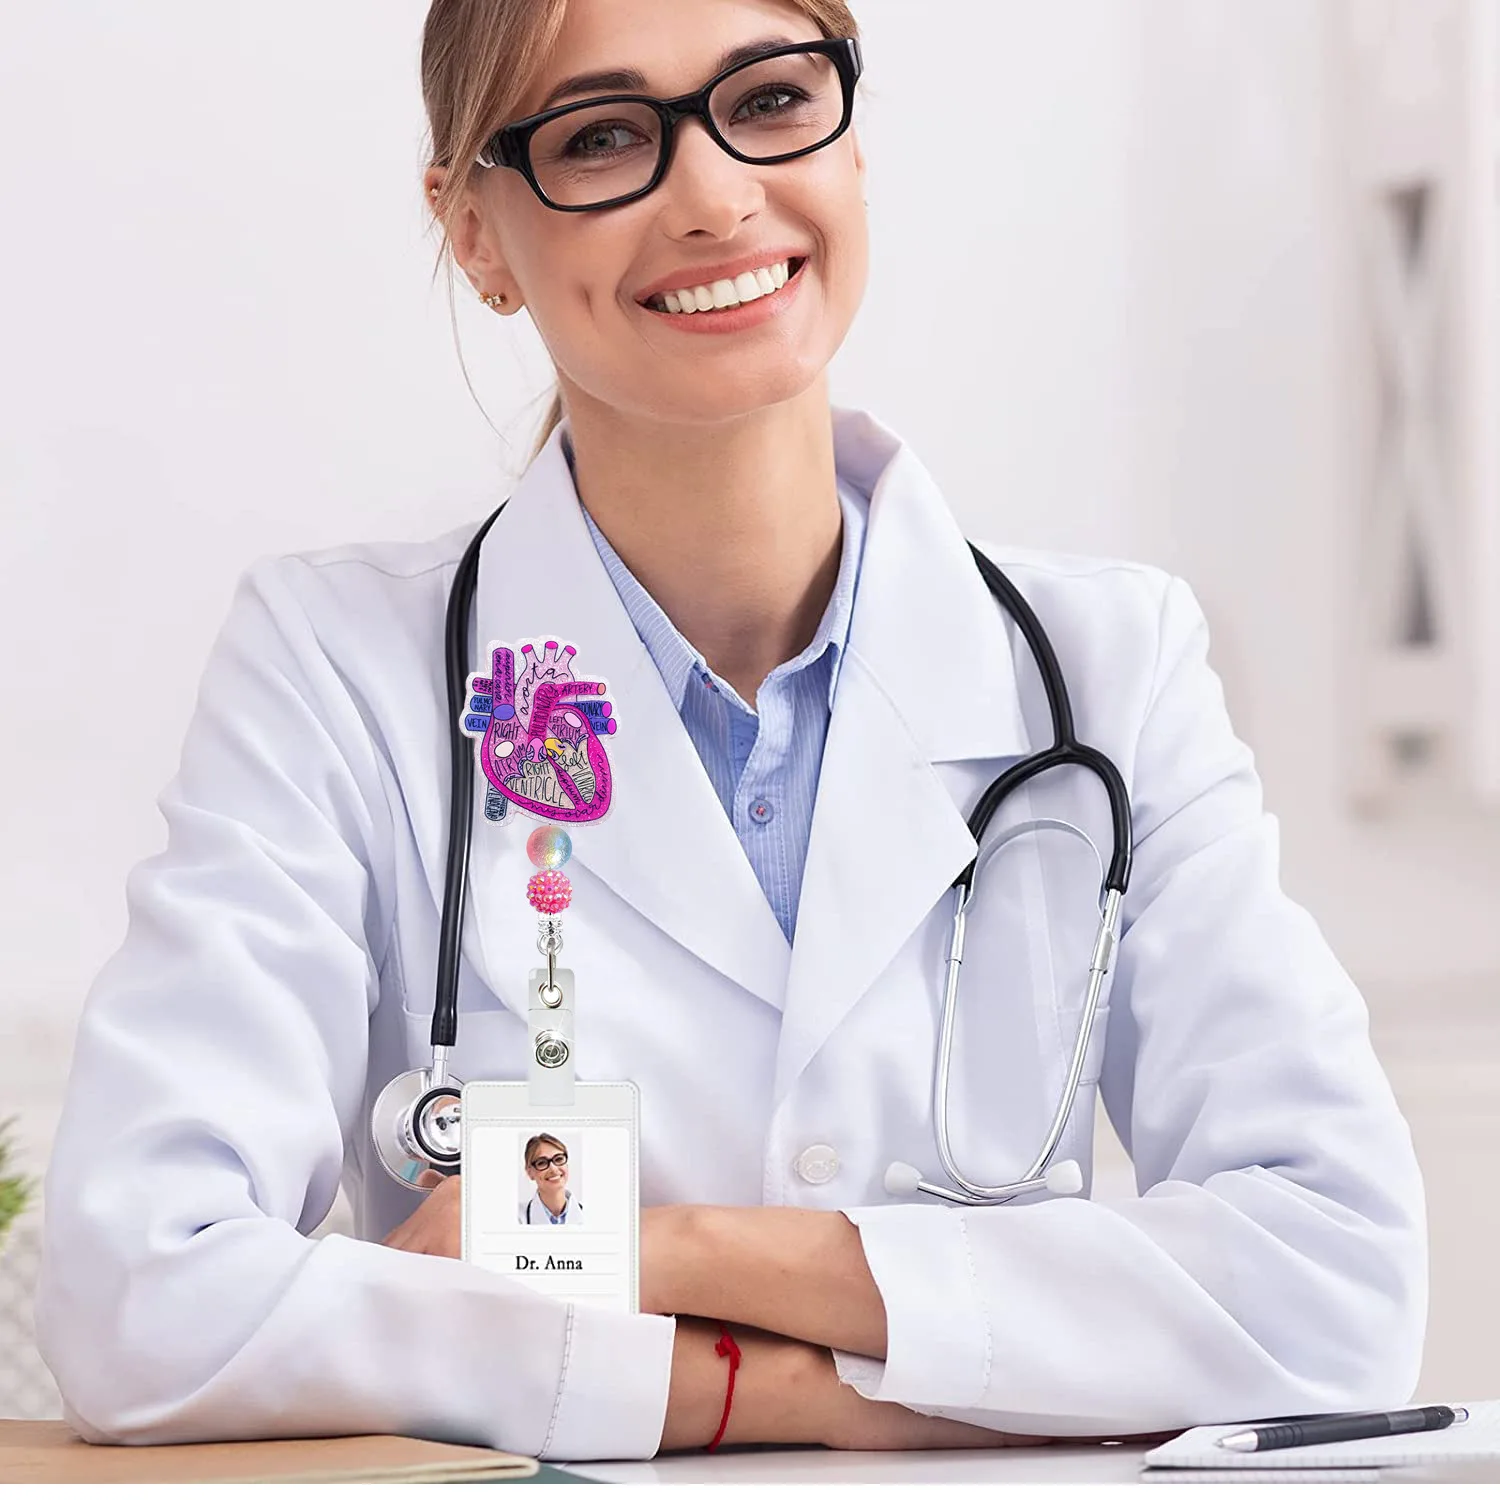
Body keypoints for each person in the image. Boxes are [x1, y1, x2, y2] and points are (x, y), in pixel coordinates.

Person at [36, 0, 1426, 1466]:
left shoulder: (1110, 667)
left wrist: (662, 1249)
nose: (712, 196)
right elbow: (140, 1296)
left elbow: (1341, 1284)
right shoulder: (337, 674)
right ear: (477, 234)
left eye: (767, 102)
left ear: (850, 141)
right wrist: (762, 1398)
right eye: (601, 138)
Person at [519, 1135, 584, 1226]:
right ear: (530, 1172)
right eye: (542, 1162)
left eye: (558, 1159)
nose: (553, 1169)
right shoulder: (517, 1218)